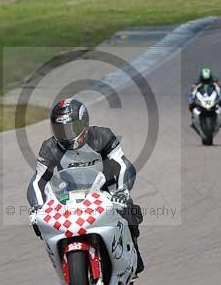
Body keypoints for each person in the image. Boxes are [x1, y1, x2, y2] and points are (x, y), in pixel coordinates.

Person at [27, 98, 144, 273]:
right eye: (60, 129)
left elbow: (123, 165)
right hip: (69, 194)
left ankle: (133, 249)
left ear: (84, 124)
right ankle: (65, 259)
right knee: (42, 224)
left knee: (129, 211)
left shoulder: (102, 136)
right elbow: (39, 180)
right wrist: (37, 206)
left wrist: (122, 190)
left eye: (70, 128)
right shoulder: (49, 147)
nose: (65, 134)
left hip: (106, 189)